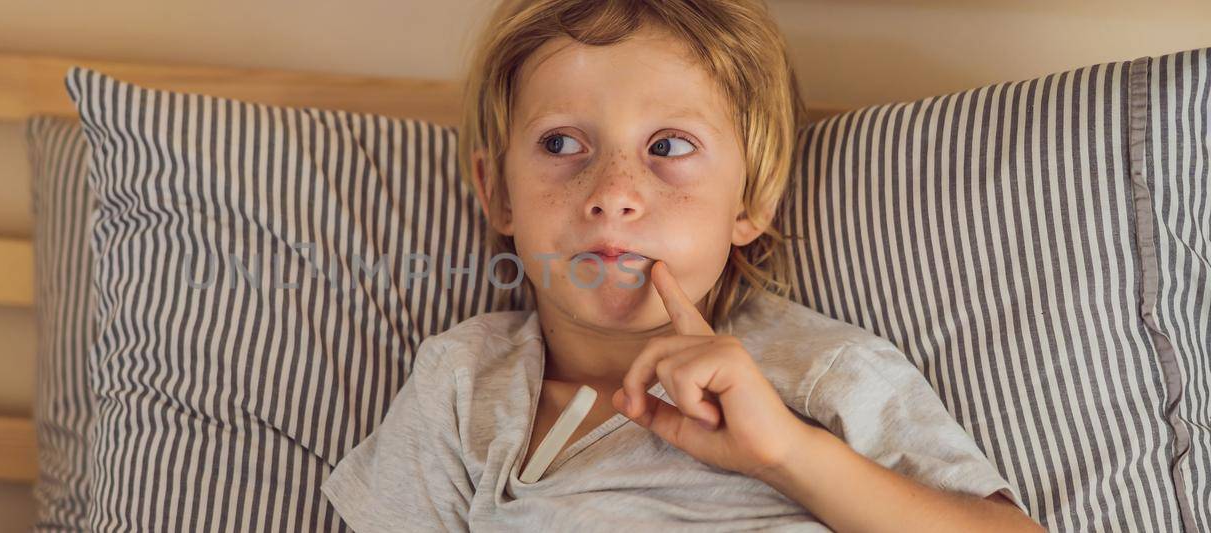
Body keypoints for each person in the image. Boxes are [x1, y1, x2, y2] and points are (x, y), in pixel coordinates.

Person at [321, 0, 1043, 531]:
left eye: (667, 147)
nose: (612, 195)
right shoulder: (461, 384)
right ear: (496, 191)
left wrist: (787, 453)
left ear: (752, 199)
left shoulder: (823, 373)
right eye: (561, 143)